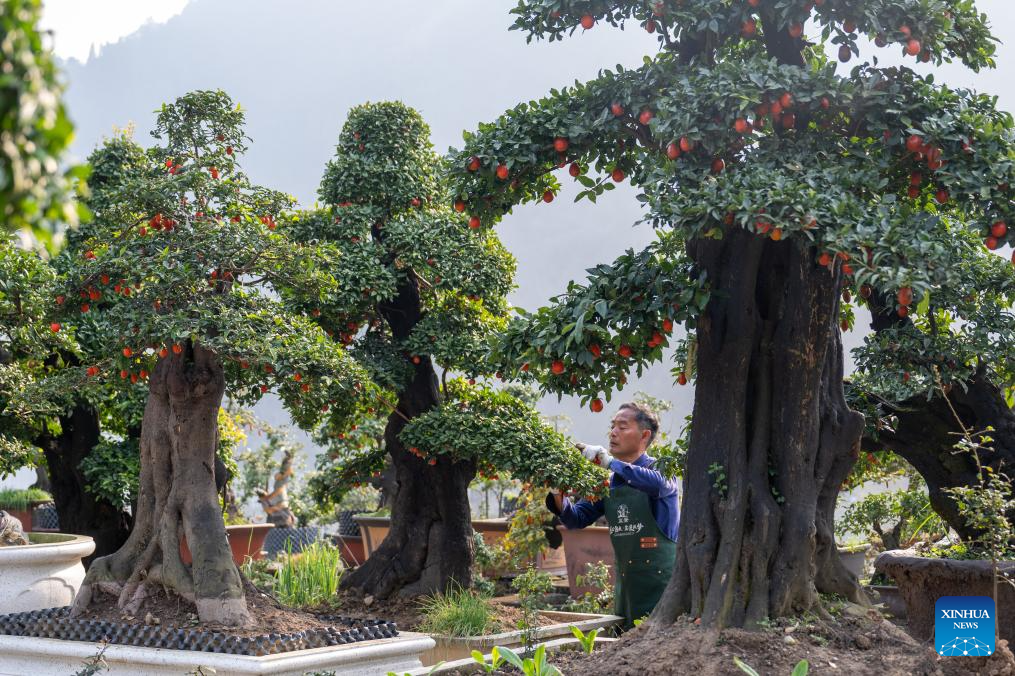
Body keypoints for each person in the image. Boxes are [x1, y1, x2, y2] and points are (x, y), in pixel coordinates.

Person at [546, 401, 678, 627]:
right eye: (613, 426)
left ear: (644, 435)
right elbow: (576, 518)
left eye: (623, 427)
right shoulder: (608, 481)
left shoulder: (662, 471)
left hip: (661, 586)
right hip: (626, 588)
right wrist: (559, 492)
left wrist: (610, 463)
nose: (613, 432)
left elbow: (656, 484)